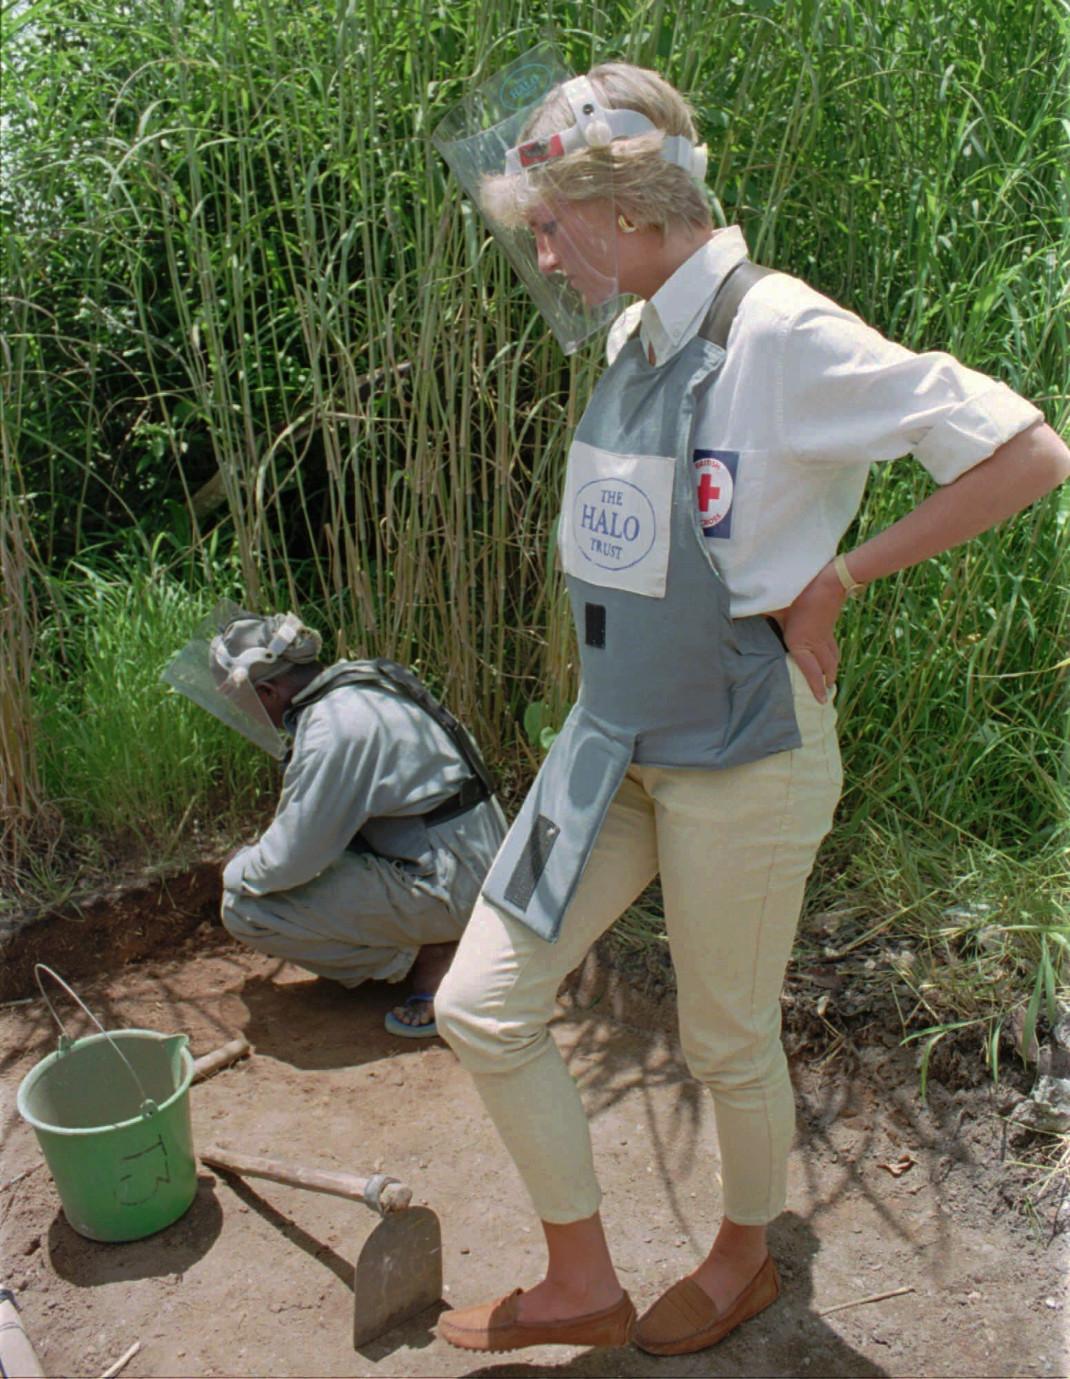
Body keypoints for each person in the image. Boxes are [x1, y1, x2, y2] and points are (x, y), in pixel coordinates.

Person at [429, 53, 1070, 1354]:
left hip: (742, 753)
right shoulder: (634, 330)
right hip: (609, 747)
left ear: (620, 203)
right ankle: (580, 1277)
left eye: (550, 228)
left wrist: (840, 574)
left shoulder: (776, 330)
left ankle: (741, 1256)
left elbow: (1023, 450)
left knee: (724, 1038)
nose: (544, 259)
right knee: (479, 1001)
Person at [161, 603, 506, 1035]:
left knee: (245, 906)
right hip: (475, 861)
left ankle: (430, 954)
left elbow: (291, 859)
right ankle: (430, 936)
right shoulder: (359, 681)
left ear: (267, 692)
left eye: (241, 703)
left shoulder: (334, 728)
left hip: (452, 883)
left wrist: (236, 867)